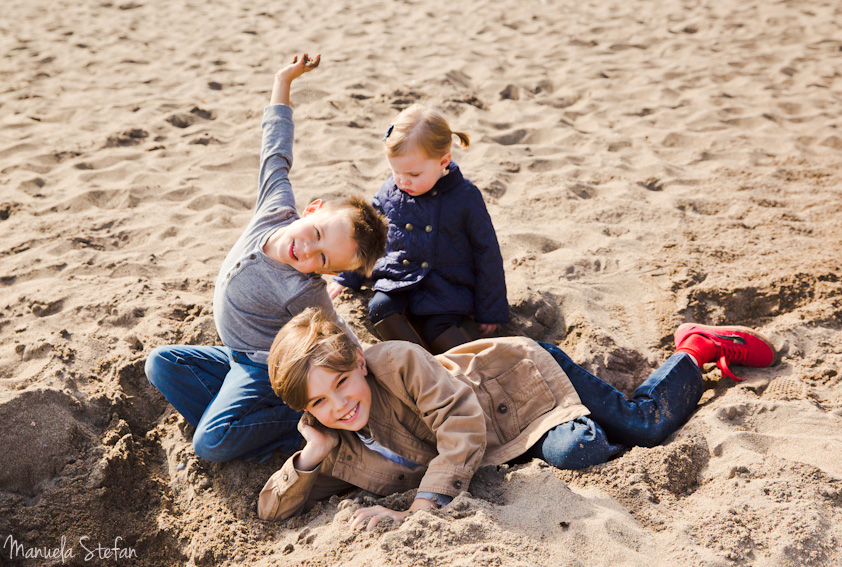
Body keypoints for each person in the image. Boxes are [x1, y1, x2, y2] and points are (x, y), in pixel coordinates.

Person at [257, 309, 776, 527]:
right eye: (319, 402)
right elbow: (272, 511)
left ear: (359, 363)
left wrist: (419, 509)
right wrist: (309, 459)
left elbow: (461, 423)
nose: (338, 405)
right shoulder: (331, 435)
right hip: (505, 449)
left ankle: (694, 350)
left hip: (519, 387)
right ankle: (595, 410)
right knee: (575, 450)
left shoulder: (396, 362)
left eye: (342, 383)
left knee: (643, 425)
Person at [145, 54, 388, 463]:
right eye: (315, 235)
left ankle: (297, 427)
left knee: (209, 444)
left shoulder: (301, 289)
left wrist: (368, 365)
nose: (307, 250)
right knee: (160, 364)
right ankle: (251, 431)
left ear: (325, 275)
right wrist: (283, 81)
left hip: (262, 368)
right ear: (311, 210)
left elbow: (335, 329)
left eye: (322, 259)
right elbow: (275, 149)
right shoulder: (274, 208)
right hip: (235, 354)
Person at [327, 104, 509, 354]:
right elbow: (368, 236)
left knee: (439, 327)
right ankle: (420, 364)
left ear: (443, 161)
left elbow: (486, 251)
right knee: (380, 308)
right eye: (396, 171)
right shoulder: (390, 191)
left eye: (413, 174)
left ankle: (466, 369)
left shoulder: (465, 197)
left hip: (446, 287)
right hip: (397, 279)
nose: (403, 180)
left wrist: (491, 309)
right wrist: (349, 276)